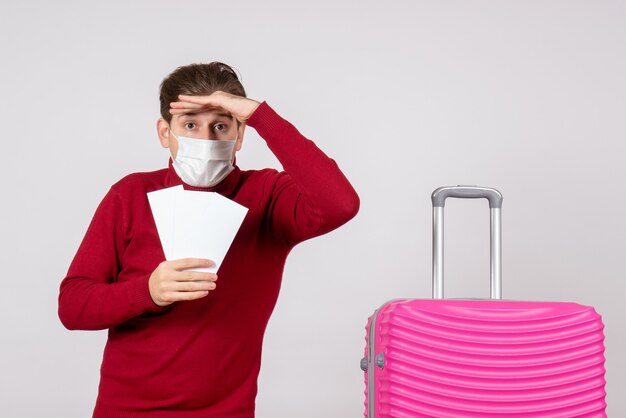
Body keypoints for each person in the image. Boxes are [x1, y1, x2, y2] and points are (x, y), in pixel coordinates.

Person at [58, 62, 359, 417]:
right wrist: (147, 291)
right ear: (164, 132)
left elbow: (340, 203)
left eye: (220, 125)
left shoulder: (266, 197)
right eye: (190, 125)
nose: (205, 140)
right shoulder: (130, 194)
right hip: (126, 410)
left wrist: (262, 116)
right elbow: (73, 305)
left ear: (240, 134)